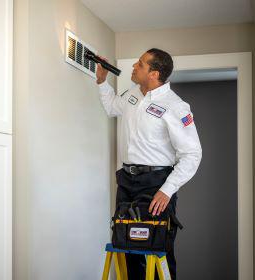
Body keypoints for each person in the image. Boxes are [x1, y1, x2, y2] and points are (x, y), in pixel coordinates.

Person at [96, 48, 202, 279]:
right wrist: (102, 81)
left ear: (154, 73)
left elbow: (192, 154)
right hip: (126, 180)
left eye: (141, 64)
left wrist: (166, 191)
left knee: (157, 248)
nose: (134, 66)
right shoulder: (133, 94)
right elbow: (112, 107)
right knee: (127, 246)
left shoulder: (176, 106)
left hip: (156, 184)